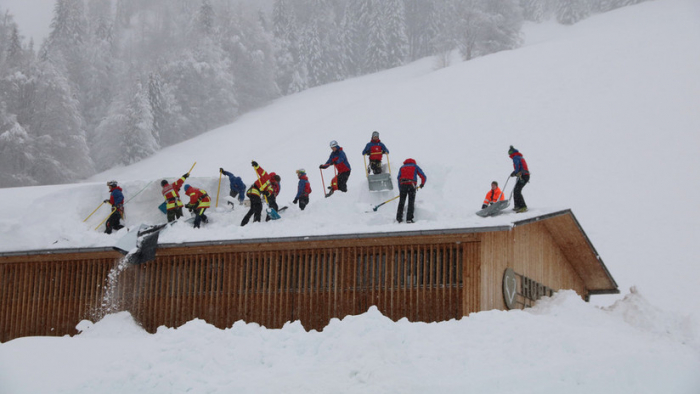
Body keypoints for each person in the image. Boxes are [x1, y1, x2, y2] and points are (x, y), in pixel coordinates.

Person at [241, 161, 280, 226]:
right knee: (259, 206)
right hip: (254, 191)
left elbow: (270, 191)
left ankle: (244, 223)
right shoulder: (266, 176)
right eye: (276, 182)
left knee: (253, 209)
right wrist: (256, 165)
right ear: (274, 179)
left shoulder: (270, 186)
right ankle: (256, 223)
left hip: (255, 193)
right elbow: (260, 171)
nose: (276, 184)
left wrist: (267, 193)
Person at [396, 159, 426, 223]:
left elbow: (398, 178)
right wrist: (422, 184)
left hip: (403, 185)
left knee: (401, 202)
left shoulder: (402, 167)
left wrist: (400, 188)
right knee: (411, 202)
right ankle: (409, 219)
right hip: (411, 185)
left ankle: (399, 218)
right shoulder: (415, 166)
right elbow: (423, 176)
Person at [508, 145, 530, 213]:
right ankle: (517, 206)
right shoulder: (519, 156)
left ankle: (522, 206)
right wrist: (515, 172)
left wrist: (516, 172)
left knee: (517, 190)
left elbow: (517, 165)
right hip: (524, 175)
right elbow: (521, 166)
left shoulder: (515, 157)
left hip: (523, 176)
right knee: (516, 190)